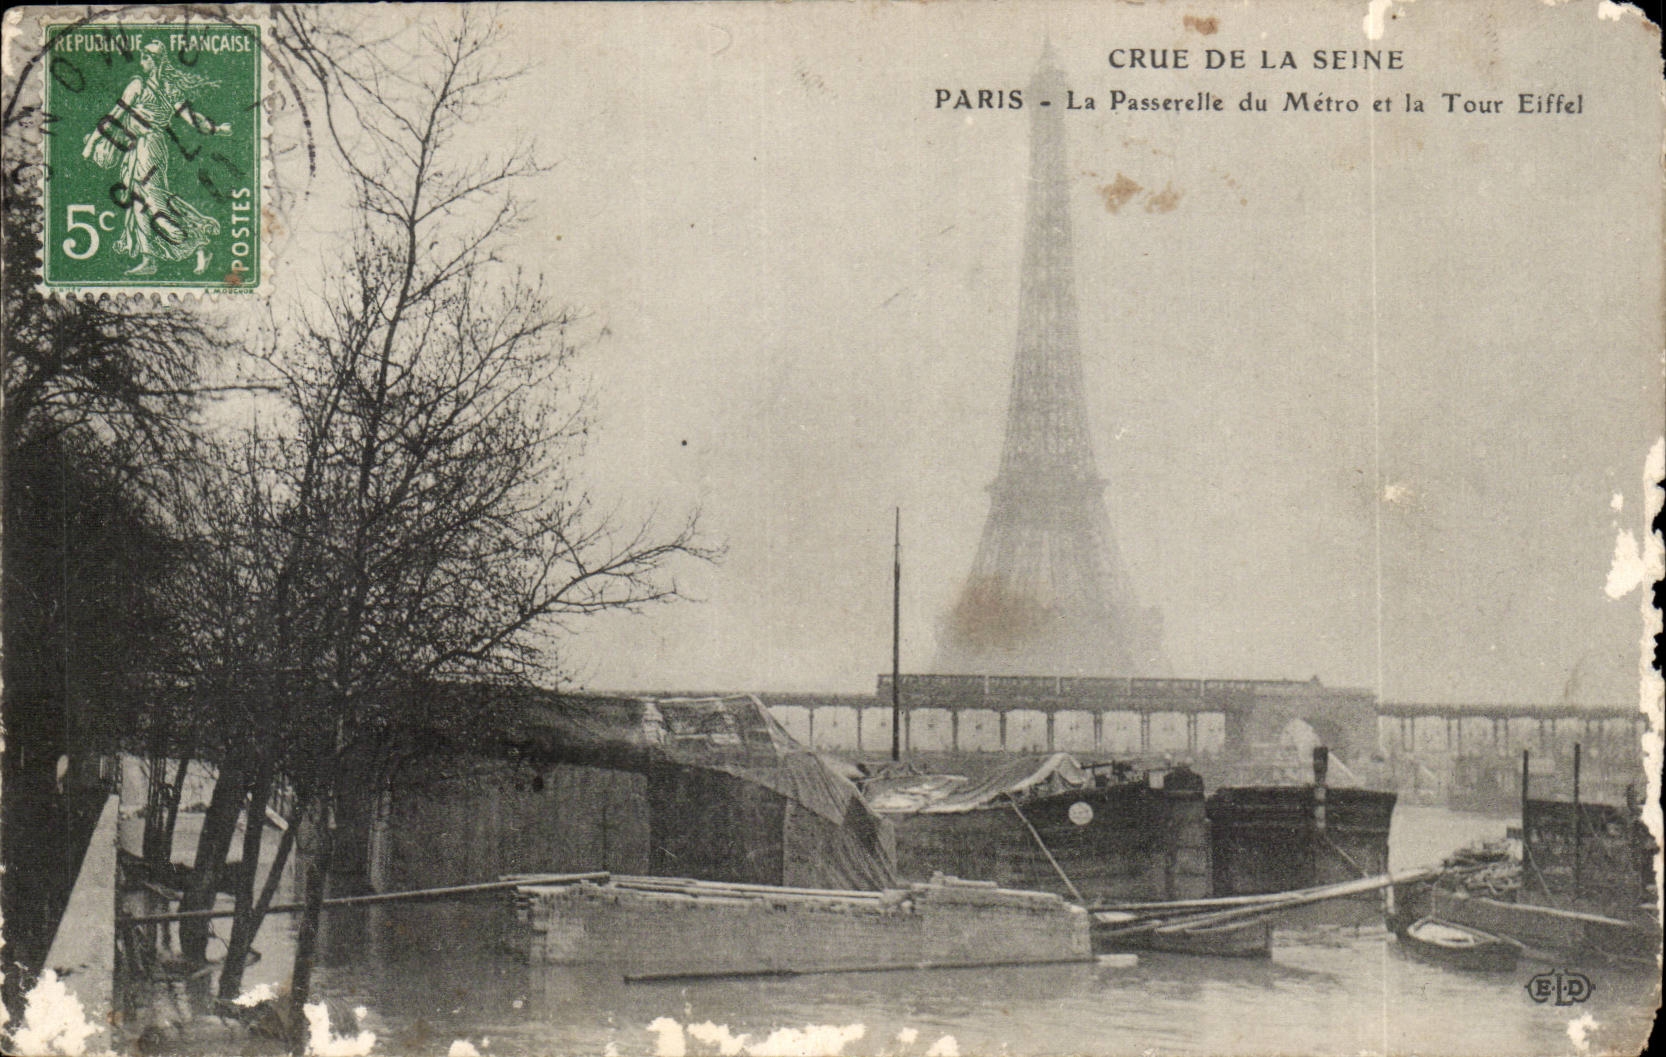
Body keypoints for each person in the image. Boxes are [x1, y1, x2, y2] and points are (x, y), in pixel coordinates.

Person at [81, 42, 230, 275]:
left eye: (145, 58)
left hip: (148, 147)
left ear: (152, 60)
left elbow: (113, 116)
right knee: (140, 199)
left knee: (153, 200)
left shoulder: (139, 85)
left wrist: (91, 145)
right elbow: (194, 119)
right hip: (140, 146)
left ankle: (198, 243)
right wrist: (216, 128)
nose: (142, 62)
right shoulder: (167, 88)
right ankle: (149, 258)